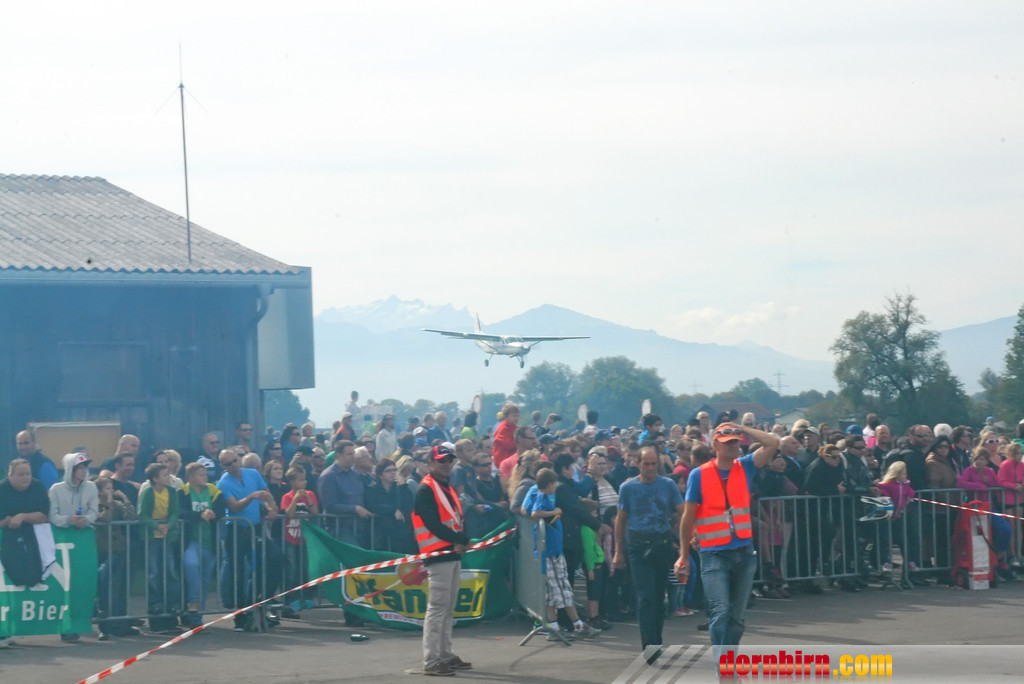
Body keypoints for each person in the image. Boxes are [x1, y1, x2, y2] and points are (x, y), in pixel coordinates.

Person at [676, 423, 778, 659]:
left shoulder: (746, 466)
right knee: (720, 612)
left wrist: (742, 427)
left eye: (735, 441)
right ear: (715, 445)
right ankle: (723, 666)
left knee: (737, 618)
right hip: (714, 554)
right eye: (727, 442)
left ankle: (729, 663)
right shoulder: (699, 474)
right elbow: (688, 516)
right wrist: (683, 555)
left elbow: (773, 443)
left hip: (744, 551)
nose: (733, 446)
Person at [613, 446, 684, 654]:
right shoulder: (628, 488)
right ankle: (649, 646)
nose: (650, 468)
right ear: (638, 463)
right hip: (638, 546)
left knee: (659, 596)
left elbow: (683, 512)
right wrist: (618, 551)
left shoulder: (668, 485)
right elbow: (621, 520)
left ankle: (656, 641)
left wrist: (687, 538)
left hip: (661, 545)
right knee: (646, 597)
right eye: (646, 464)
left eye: (654, 464)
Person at [411, 444, 473, 676]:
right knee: (438, 608)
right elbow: (432, 524)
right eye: (441, 461)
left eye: (449, 460)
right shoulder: (426, 489)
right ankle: (431, 660)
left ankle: (445, 654)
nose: (447, 464)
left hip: (450, 552)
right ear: (431, 463)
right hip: (438, 554)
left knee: (447, 608)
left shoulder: (444, 487)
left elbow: (455, 520)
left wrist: (461, 541)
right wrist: (459, 539)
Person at [524, 468, 599, 642]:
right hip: (550, 552)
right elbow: (535, 513)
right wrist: (554, 512)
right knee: (561, 588)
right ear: (550, 484)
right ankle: (577, 624)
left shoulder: (542, 496)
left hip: (554, 549)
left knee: (553, 592)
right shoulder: (542, 497)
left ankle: (555, 627)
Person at [217, 448, 283, 631]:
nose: (233, 465)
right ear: (222, 466)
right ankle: (240, 615)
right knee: (237, 572)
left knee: (275, 558)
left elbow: (266, 493)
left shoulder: (252, 473)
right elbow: (235, 506)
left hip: (256, 527)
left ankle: (260, 600)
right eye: (228, 464)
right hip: (236, 530)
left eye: (235, 460)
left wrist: (272, 508)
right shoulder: (223, 483)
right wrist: (251, 496)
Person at [48, 452, 98, 642]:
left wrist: (85, 520)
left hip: (83, 538)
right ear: (70, 469)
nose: (83, 471)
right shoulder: (56, 489)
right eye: (79, 468)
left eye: (85, 467)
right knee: (65, 583)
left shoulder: (91, 487)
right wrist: (69, 520)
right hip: (63, 538)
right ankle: (65, 625)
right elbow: (53, 515)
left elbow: (94, 511)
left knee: (83, 581)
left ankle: (79, 622)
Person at [179, 462, 224, 628]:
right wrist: (199, 514)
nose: (205, 477)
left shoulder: (213, 491)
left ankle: (197, 619)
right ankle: (193, 601)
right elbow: (180, 511)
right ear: (190, 477)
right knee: (191, 565)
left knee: (205, 580)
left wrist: (214, 513)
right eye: (201, 475)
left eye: (205, 474)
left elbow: (221, 510)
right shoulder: (183, 492)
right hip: (191, 541)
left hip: (209, 542)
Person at [138, 462, 181, 632]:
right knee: (154, 573)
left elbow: (175, 512)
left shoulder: (171, 491)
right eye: (164, 475)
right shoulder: (148, 492)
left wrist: (168, 526)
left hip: (166, 536)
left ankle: (171, 605)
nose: (168, 477)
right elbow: (142, 514)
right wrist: (157, 526)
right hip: (152, 538)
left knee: (170, 572)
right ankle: (156, 605)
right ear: (155, 479)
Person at [94, 477, 139, 638]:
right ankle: (105, 626)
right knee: (105, 587)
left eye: (111, 488)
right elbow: (104, 518)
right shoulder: (94, 505)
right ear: (99, 491)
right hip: (102, 552)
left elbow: (131, 517)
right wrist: (107, 503)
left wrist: (125, 499)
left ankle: (120, 623)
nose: (111, 491)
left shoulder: (117, 505)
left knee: (120, 588)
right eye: (107, 488)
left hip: (118, 550)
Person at [281, 465, 320, 614]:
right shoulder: (287, 497)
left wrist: (308, 498)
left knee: (306, 569)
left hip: (305, 538)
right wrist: (295, 499)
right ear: (292, 482)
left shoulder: (310, 494)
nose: (304, 482)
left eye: (304, 479)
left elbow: (315, 512)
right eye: (300, 480)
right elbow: (289, 513)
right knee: (292, 570)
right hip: (291, 538)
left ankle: (307, 596)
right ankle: (291, 598)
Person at [365, 460, 415, 553]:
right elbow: (372, 505)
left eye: (394, 470)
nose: (393, 473)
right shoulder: (372, 488)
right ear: (380, 475)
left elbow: (409, 504)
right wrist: (393, 511)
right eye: (388, 471)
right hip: (380, 529)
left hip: (401, 528)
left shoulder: (399, 488)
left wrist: (403, 485)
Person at [491, 403, 520, 470]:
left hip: (510, 459)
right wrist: (520, 442)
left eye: (517, 416)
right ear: (505, 417)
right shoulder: (503, 428)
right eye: (514, 416)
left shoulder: (513, 427)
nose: (516, 418)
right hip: (503, 459)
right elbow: (509, 445)